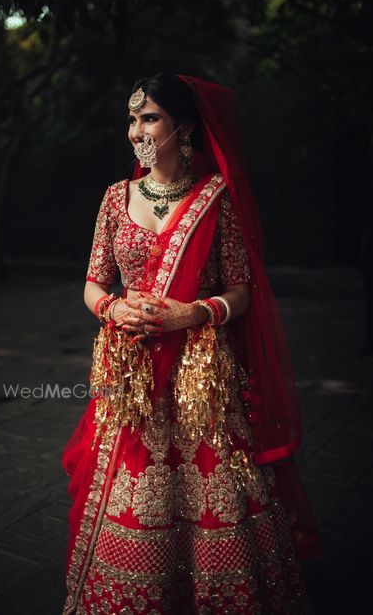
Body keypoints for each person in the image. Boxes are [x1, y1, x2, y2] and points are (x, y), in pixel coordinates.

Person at [61, 73, 322, 615]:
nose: (136, 129)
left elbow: (241, 291)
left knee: (211, 490)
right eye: (132, 118)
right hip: (132, 374)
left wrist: (194, 312)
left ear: (181, 126)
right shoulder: (115, 198)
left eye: (149, 117)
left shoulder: (214, 197)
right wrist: (113, 307)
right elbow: (92, 281)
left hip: (201, 376)